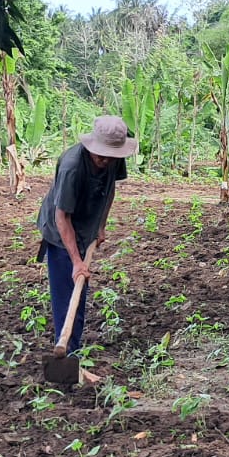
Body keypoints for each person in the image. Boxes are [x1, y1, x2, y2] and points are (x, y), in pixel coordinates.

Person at [36, 115, 138, 358]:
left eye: (110, 156)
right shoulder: (73, 166)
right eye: (100, 154)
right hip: (61, 229)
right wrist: (77, 262)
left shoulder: (113, 157)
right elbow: (62, 217)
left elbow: (110, 187)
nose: (105, 160)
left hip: (87, 223)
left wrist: (101, 225)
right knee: (69, 293)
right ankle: (69, 356)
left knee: (79, 293)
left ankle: (73, 350)